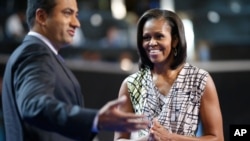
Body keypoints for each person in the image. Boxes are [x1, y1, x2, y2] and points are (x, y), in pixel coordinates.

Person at [1, 0, 149, 141]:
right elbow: (34, 105)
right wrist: (97, 119)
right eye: (67, 13)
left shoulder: (45, 54)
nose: (76, 23)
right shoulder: (35, 52)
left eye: (76, 15)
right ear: (41, 17)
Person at [114, 8, 224, 141]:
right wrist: (148, 139)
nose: (152, 43)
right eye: (146, 37)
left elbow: (217, 138)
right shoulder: (131, 84)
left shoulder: (199, 80)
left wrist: (170, 138)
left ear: (175, 40)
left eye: (159, 36)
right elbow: (119, 139)